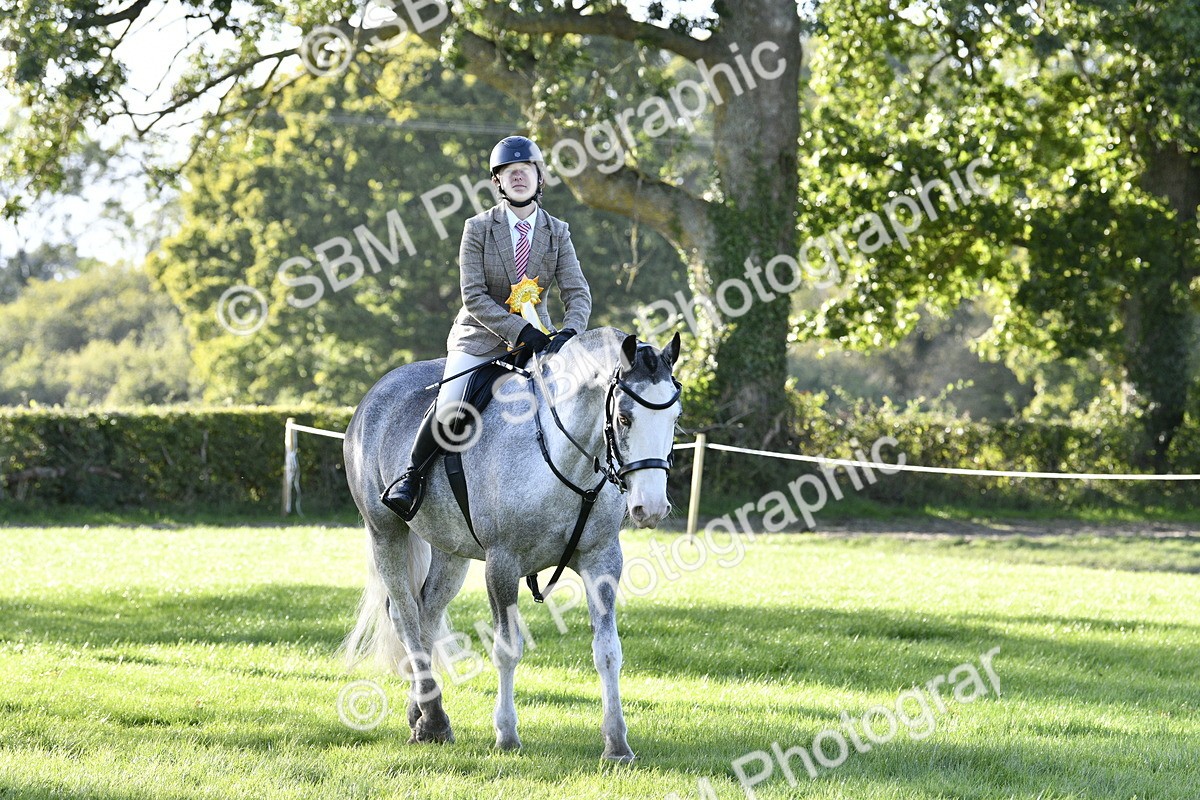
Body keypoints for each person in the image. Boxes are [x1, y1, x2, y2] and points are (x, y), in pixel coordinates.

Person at [381, 135, 592, 520]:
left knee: (574, 405)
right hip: (479, 338)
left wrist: (568, 332)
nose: (518, 178)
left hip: (540, 343)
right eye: (509, 173)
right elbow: (473, 295)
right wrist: (517, 330)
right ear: (497, 182)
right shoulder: (477, 228)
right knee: (450, 407)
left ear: (539, 178)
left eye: (524, 171)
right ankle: (411, 478)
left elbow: (577, 292)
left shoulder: (558, 231)